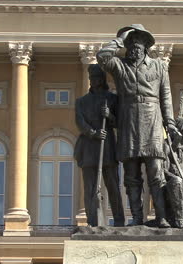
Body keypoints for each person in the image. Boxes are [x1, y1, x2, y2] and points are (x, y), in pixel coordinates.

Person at [96, 24, 179, 228]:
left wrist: (169, 122)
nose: (133, 46)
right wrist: (119, 39)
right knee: (131, 176)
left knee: (156, 173)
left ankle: (161, 217)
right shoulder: (120, 65)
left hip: (152, 118)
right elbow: (102, 57)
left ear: (146, 46)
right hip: (128, 120)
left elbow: (165, 97)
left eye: (138, 42)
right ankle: (137, 218)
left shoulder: (159, 66)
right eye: (130, 43)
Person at [74, 64, 125, 227]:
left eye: (97, 78)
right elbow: (80, 122)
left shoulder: (112, 99)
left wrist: (109, 116)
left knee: (112, 186)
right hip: (89, 146)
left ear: (102, 80)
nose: (94, 81)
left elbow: (120, 122)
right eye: (92, 78)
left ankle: (118, 220)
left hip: (107, 144)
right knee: (89, 187)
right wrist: (93, 133)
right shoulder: (81, 102)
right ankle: (92, 220)